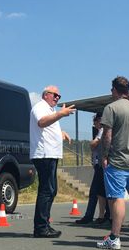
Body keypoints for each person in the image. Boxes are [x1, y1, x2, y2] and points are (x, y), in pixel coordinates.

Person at [97, 76, 129, 250]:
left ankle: (114, 237)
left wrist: (104, 155)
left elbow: (107, 135)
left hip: (117, 161)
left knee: (117, 198)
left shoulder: (111, 108)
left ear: (115, 90)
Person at [30, 86, 75, 238]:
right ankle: (41, 227)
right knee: (46, 190)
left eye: (59, 96)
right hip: (44, 155)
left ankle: (45, 224)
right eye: (55, 95)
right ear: (46, 95)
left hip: (50, 155)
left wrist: (60, 133)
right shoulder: (40, 107)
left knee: (51, 190)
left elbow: (48, 127)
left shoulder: (50, 110)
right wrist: (61, 113)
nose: (57, 98)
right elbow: (42, 122)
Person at [76, 113, 110, 225]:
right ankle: (104, 215)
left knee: (95, 191)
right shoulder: (102, 130)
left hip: (101, 165)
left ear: (100, 120)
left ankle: (91, 216)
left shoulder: (102, 130)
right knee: (101, 191)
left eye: (95, 121)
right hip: (99, 164)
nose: (94, 124)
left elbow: (93, 144)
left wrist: (92, 143)